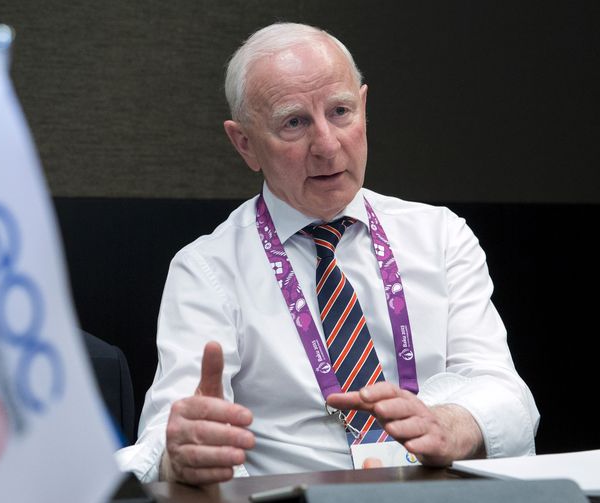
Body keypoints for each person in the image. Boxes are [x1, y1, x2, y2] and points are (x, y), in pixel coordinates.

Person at [116, 22, 539, 485]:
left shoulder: (440, 236)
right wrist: (181, 458)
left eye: (341, 112)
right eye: (294, 122)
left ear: (364, 107)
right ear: (244, 143)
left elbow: (506, 394)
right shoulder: (207, 270)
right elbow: (169, 431)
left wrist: (452, 424)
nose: (327, 145)